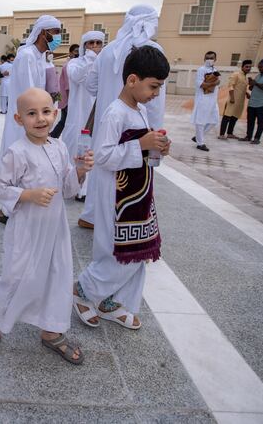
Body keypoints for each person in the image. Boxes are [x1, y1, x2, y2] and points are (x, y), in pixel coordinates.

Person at [0, 87, 93, 364]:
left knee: (56, 276)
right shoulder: (18, 153)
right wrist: (28, 195)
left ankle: (52, 331)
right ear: (18, 119)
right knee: (18, 277)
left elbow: (66, 187)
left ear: (55, 113)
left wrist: (80, 171)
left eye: (46, 111)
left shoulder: (59, 146)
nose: (41, 119)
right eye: (32, 113)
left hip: (55, 228)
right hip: (27, 228)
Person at [74, 46, 170, 331]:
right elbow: (102, 155)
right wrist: (141, 144)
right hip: (117, 193)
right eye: (153, 86)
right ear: (132, 80)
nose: (156, 93)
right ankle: (84, 291)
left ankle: (112, 301)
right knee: (118, 250)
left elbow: (142, 149)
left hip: (138, 193)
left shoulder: (139, 111)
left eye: (160, 87)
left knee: (138, 251)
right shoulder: (114, 113)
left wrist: (159, 148)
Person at [80, 4, 161, 229]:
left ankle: (92, 215)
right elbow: (156, 101)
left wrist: (107, 93)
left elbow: (90, 84)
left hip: (107, 118)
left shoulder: (108, 50)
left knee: (102, 166)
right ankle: (118, 224)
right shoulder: (152, 50)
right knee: (126, 176)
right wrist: (156, 134)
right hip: (136, 124)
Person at [0, 15, 62, 159]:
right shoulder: (27, 55)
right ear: (43, 33)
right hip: (24, 119)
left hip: (35, 118)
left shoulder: (40, 57)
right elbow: (30, 94)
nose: (58, 37)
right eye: (55, 32)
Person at [60, 31, 105, 200]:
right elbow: (76, 77)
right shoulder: (75, 63)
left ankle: (86, 189)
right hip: (79, 115)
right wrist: (90, 59)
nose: (94, 46)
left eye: (98, 43)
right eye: (90, 43)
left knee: (95, 150)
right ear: (84, 45)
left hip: (99, 113)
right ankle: (72, 185)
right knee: (76, 148)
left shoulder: (105, 64)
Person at [240, 59, 263, 144]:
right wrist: (251, 85)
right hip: (253, 102)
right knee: (250, 120)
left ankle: (257, 138)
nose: (259, 69)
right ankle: (248, 136)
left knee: (260, 121)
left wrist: (255, 83)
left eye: (261, 67)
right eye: (258, 67)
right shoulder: (258, 75)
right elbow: (253, 88)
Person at [189, 51, 220, 151]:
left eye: (211, 58)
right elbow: (201, 84)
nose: (209, 60)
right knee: (200, 121)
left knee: (214, 120)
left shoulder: (215, 70)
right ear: (204, 59)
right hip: (203, 99)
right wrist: (215, 83)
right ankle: (200, 143)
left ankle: (198, 137)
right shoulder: (201, 70)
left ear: (215, 59)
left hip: (213, 100)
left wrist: (216, 82)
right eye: (207, 58)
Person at [51, 44, 80, 138]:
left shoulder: (74, 64)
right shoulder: (69, 65)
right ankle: (53, 136)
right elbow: (69, 86)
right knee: (65, 121)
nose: (78, 53)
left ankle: (53, 136)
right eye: (75, 51)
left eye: (79, 51)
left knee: (65, 120)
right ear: (70, 53)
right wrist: (71, 102)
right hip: (68, 98)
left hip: (68, 98)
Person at [218, 59, 252, 139]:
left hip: (240, 102)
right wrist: (232, 98)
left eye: (250, 67)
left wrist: (247, 93)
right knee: (227, 116)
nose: (248, 68)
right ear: (242, 67)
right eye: (246, 67)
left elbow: (241, 88)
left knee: (235, 117)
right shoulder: (236, 74)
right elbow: (231, 86)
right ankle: (222, 134)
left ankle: (230, 133)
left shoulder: (246, 78)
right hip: (232, 100)